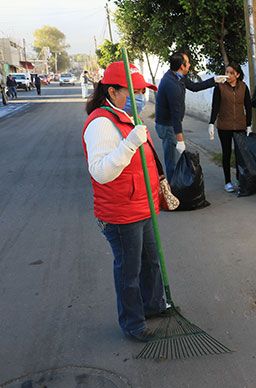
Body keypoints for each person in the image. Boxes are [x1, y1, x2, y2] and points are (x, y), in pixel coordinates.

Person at [82, 61, 167, 342]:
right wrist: (129, 144)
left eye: (142, 90)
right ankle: (133, 323)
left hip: (143, 205)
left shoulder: (128, 117)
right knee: (129, 270)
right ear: (114, 91)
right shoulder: (101, 123)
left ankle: (154, 305)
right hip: (121, 212)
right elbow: (101, 171)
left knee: (151, 261)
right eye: (135, 90)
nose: (141, 96)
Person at [155, 51, 227, 180]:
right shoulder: (171, 84)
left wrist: (214, 80)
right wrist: (180, 140)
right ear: (181, 66)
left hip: (170, 124)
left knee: (174, 159)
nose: (189, 65)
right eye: (187, 63)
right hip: (167, 126)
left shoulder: (177, 76)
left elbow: (194, 87)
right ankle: (174, 191)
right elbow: (175, 115)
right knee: (172, 161)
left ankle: (176, 188)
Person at [208, 62, 252, 192]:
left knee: (240, 154)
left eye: (231, 73)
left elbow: (248, 107)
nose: (228, 75)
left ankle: (240, 179)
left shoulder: (243, 87)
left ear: (237, 74)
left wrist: (248, 124)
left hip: (240, 125)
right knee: (226, 153)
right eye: (226, 72)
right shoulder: (220, 87)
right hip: (224, 125)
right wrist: (211, 122)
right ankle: (227, 181)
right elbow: (215, 106)